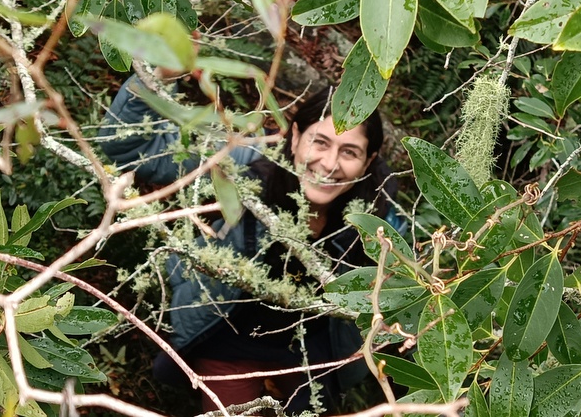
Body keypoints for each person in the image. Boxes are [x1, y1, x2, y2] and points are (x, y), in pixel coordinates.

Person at [99, 73, 404, 413]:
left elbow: (396, 296)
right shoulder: (250, 164)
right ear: (295, 138)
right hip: (227, 337)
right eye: (319, 142)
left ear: (368, 161)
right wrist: (156, 73)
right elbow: (133, 150)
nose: (330, 164)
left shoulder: (380, 216)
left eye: (349, 152)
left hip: (313, 354)